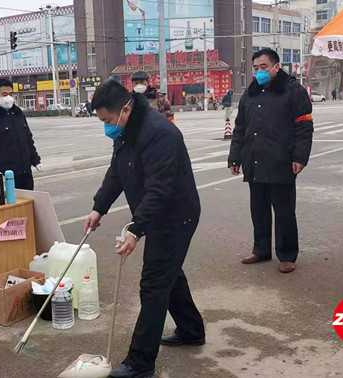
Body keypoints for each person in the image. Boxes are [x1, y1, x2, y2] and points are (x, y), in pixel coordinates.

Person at [85, 80, 205, 378]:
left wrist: (136, 229)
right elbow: (117, 171)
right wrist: (99, 206)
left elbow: (159, 190)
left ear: (125, 109)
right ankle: (191, 329)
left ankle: (140, 363)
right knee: (169, 273)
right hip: (157, 213)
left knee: (154, 283)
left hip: (176, 215)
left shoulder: (160, 134)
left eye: (107, 121)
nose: (107, 128)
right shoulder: (127, 129)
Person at [228, 48, 313, 274]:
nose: (259, 72)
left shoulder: (293, 91)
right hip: (254, 160)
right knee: (259, 210)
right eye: (255, 68)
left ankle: (286, 255)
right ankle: (261, 249)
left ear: (276, 67)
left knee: (284, 211)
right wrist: (235, 156)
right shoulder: (251, 93)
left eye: (263, 67)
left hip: (281, 161)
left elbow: (304, 127)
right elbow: (240, 128)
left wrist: (300, 157)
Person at [0, 78, 42, 190]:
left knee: (28, 204)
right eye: (4, 94)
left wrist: (35, 160)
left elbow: (28, 139)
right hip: (5, 175)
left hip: (25, 173)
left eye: (10, 94)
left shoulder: (18, 114)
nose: (8, 97)